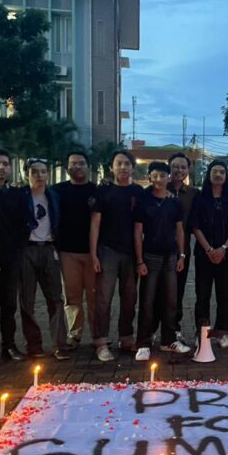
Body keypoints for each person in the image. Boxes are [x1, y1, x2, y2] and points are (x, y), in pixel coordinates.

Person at [90, 150, 145, 362]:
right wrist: (94, 254)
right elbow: (95, 224)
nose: (123, 167)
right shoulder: (104, 191)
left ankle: (126, 337)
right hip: (108, 251)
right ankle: (101, 341)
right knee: (103, 298)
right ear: (112, 167)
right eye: (119, 163)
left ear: (132, 167)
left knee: (130, 298)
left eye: (127, 164)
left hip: (131, 252)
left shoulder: (138, 192)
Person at [134, 161, 191, 361]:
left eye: (163, 176)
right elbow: (138, 231)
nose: (159, 179)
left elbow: (180, 230)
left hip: (171, 257)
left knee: (171, 301)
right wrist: (139, 260)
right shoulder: (144, 200)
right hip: (150, 257)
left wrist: (182, 255)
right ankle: (143, 342)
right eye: (155, 175)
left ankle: (168, 340)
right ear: (150, 177)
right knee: (147, 301)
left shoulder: (174, 202)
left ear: (168, 178)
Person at [18, 158, 69, 361]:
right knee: (27, 300)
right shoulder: (20, 196)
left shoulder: (54, 196)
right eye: (34, 172)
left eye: (43, 171)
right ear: (27, 175)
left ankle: (60, 344)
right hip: (26, 249)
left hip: (48, 249)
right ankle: (34, 345)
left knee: (56, 298)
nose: (39, 175)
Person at [0, 149, 29, 361]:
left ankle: (8, 346)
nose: (1, 168)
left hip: (11, 256)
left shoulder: (16, 194)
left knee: (9, 304)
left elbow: (24, 223)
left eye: (5, 164)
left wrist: (18, 247)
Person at [190, 160, 228, 346]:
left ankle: (221, 332)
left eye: (222, 172)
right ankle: (202, 332)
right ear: (209, 174)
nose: (219, 175)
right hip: (204, 255)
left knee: (224, 295)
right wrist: (209, 249)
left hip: (225, 255)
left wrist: (223, 249)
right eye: (215, 171)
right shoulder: (200, 198)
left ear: (226, 176)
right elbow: (195, 226)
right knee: (202, 295)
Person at [53, 150, 97, 349]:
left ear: (87, 166)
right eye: (73, 163)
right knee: (72, 296)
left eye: (81, 163)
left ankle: (98, 335)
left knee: (95, 296)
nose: (77, 166)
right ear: (67, 167)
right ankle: (74, 334)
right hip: (67, 252)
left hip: (93, 252)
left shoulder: (97, 191)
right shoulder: (57, 191)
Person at [163, 152, 200, 338]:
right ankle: (152, 330)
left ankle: (174, 328)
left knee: (177, 291)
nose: (179, 170)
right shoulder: (158, 188)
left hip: (182, 251)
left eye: (183, 167)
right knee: (156, 292)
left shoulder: (194, 194)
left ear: (188, 170)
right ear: (169, 168)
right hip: (157, 249)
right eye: (175, 166)